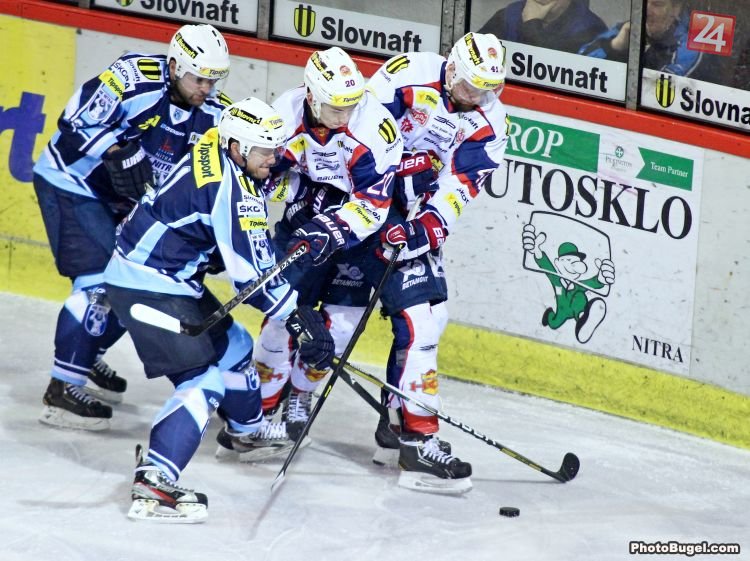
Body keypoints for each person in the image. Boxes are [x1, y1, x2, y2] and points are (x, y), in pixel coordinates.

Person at [258, 33, 510, 494]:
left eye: (488, 89)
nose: (478, 97)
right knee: (319, 316)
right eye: (471, 85)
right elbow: (358, 135)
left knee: (426, 320)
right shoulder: (406, 75)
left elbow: (460, 185)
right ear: (452, 67)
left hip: (404, 220)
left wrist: (426, 226)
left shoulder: (491, 123)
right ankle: (278, 403)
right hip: (352, 202)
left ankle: (407, 432)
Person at [102, 97, 335, 523]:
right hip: (146, 283)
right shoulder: (234, 190)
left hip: (165, 274)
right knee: (202, 379)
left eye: (276, 148)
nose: (274, 159)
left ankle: (245, 433)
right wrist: (300, 319)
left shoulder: (214, 142)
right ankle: (155, 480)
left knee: (236, 346)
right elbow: (254, 278)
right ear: (238, 148)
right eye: (265, 151)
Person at [33, 23, 232, 431]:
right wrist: (115, 151)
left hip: (126, 205)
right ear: (174, 66)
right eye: (198, 79)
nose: (206, 89)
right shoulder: (132, 77)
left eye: (213, 81)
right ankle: (62, 389)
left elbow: (215, 180)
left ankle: (84, 356)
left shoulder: (214, 116)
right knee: (96, 283)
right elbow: (74, 119)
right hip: (74, 182)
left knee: (133, 283)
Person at [250, 47, 403, 451]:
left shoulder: (375, 128)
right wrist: (292, 196)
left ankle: (301, 394)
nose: (345, 116)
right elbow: (263, 176)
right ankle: (259, 407)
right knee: (282, 316)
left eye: (351, 106)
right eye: (336, 108)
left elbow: (373, 205)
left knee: (342, 326)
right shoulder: (284, 116)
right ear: (311, 96)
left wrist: (331, 228)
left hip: (357, 236)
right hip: (302, 221)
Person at [580, 0, 731, 82]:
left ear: (676, 9)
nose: (646, 10)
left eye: (657, 4)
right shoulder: (628, 28)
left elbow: (662, 88)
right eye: (643, 2)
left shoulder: (696, 40)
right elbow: (580, 68)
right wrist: (614, 46)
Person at [479, 0, 606, 54]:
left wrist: (531, 25)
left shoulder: (592, 31)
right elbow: (474, 52)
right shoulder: (510, 14)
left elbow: (549, 73)